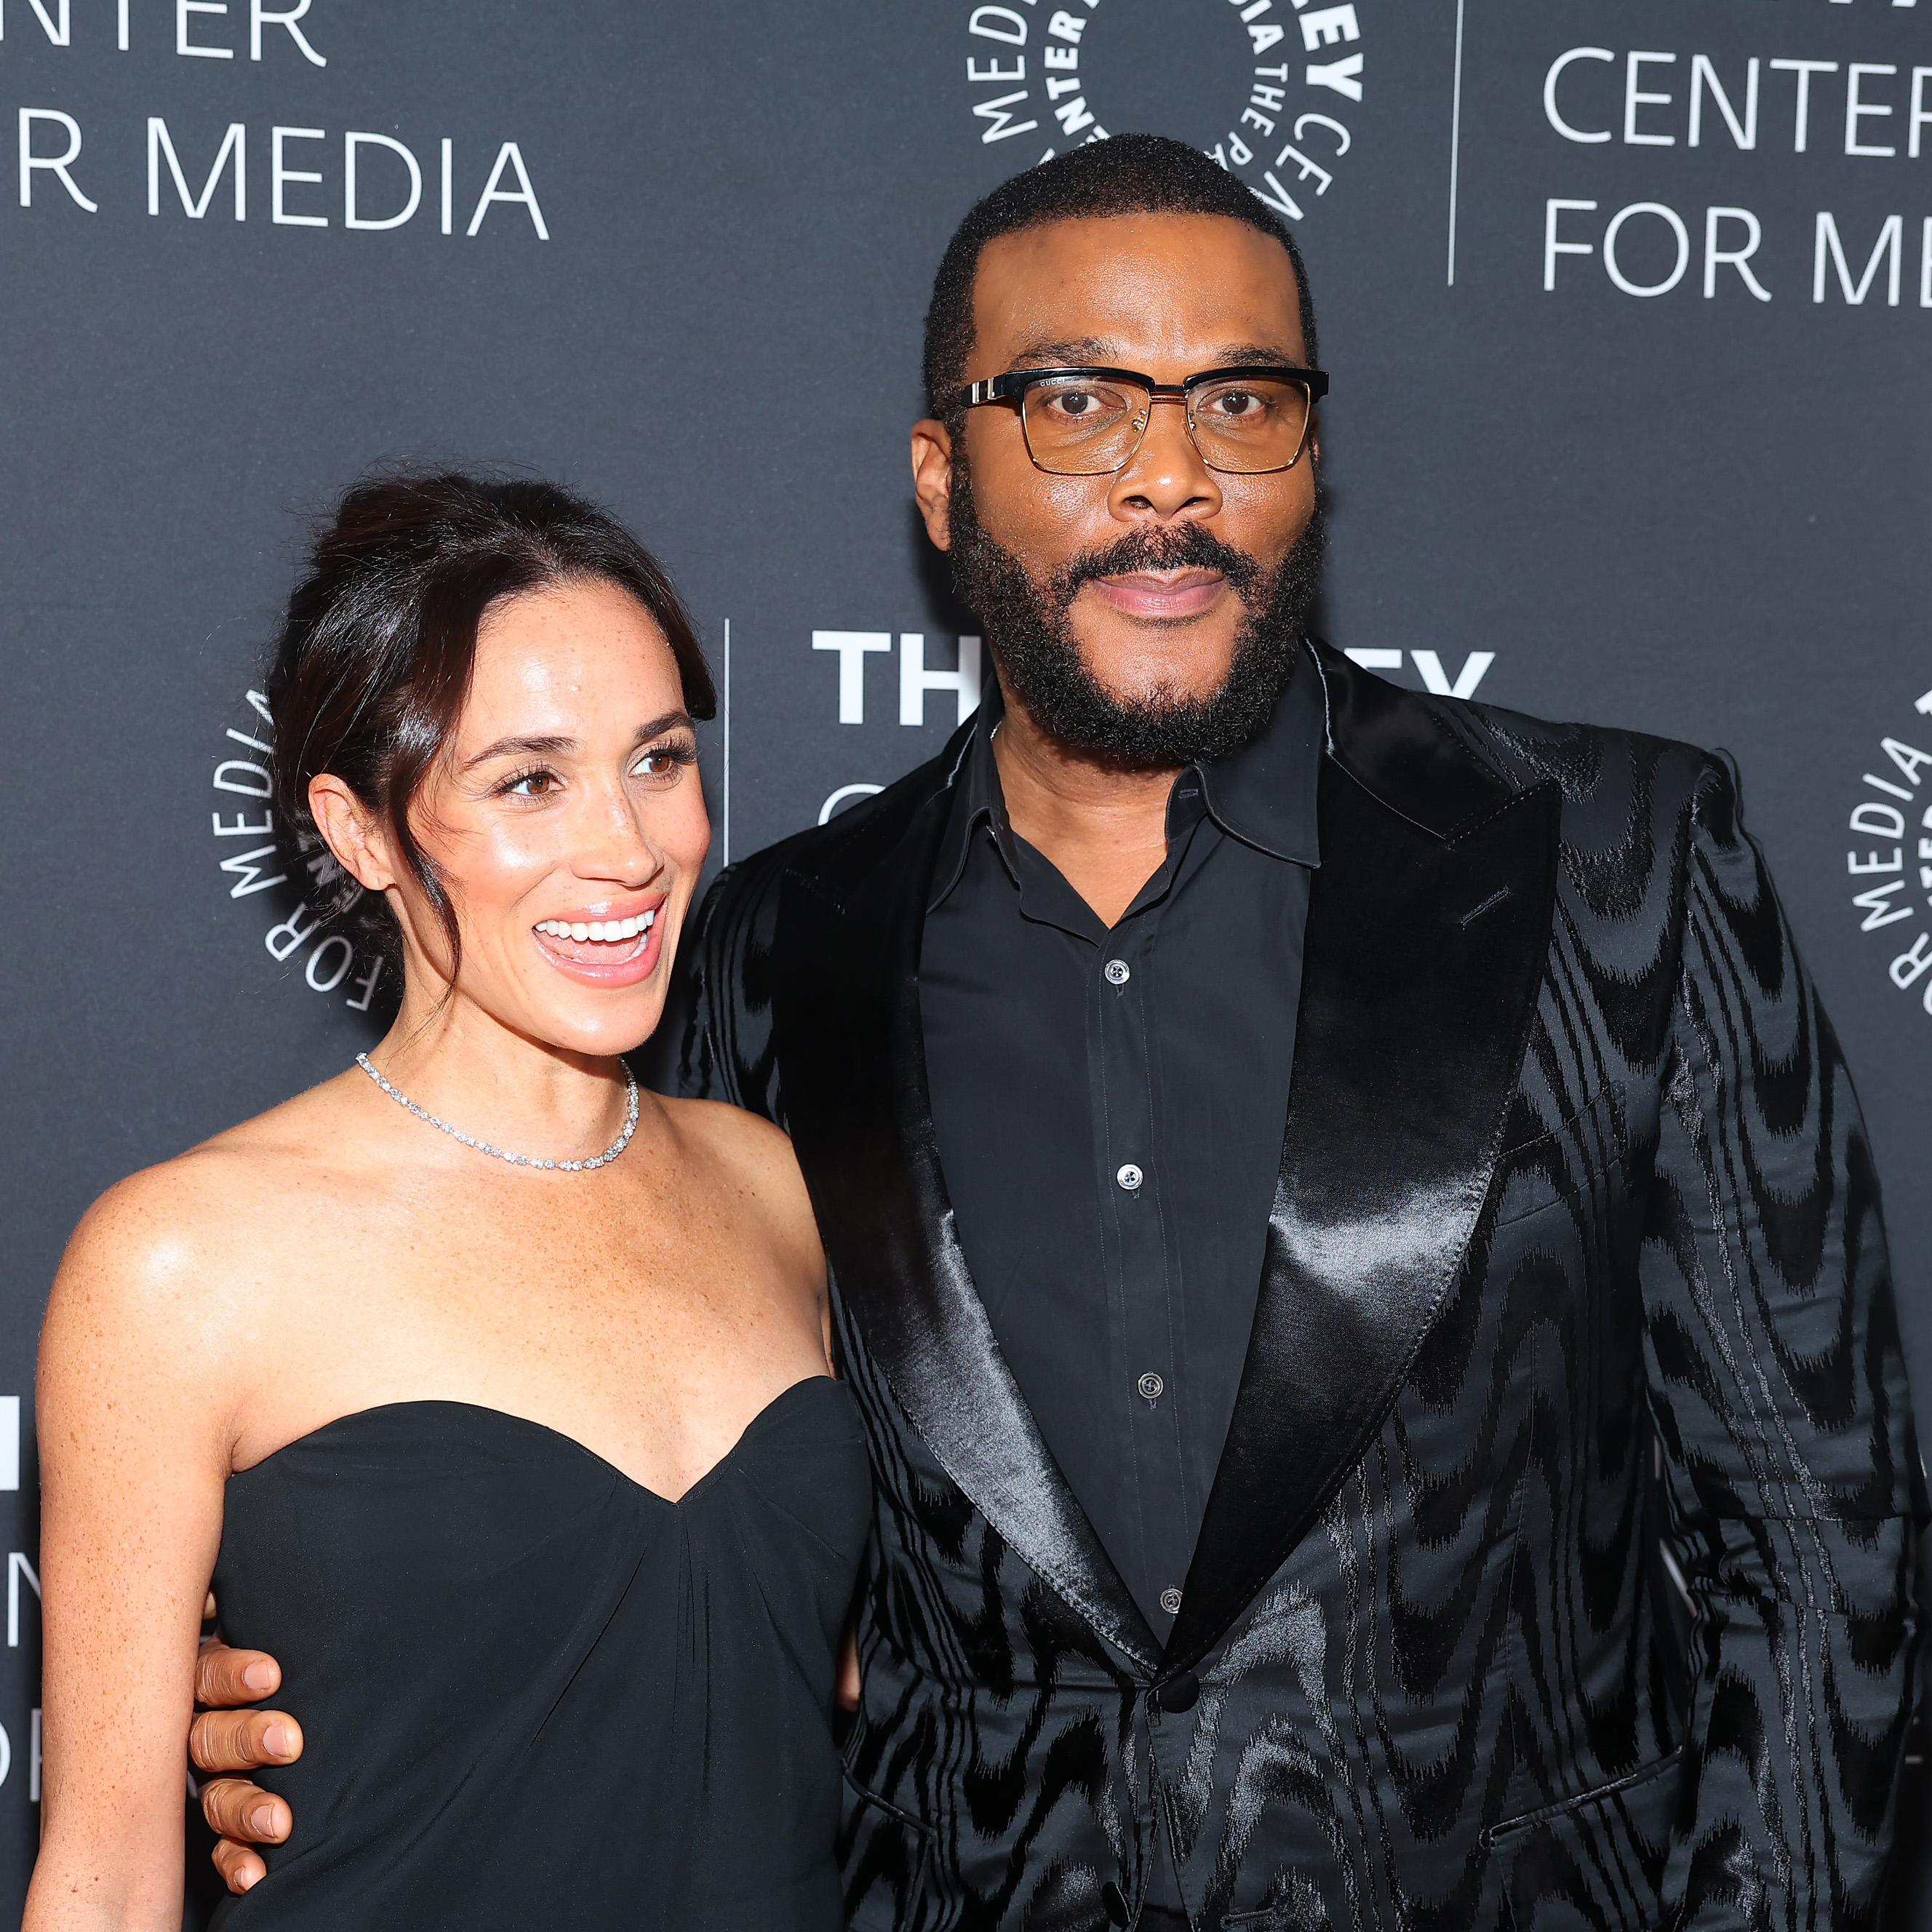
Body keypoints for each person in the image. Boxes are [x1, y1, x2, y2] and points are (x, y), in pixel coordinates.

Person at [191, 140, 1923, 1931]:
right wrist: (324, 1677)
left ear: (1306, 456)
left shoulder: (1615, 857)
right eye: (1076, 402)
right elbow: (629, 1494)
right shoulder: (760, 954)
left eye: (1239, 399)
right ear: (941, 480)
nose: (1169, 475)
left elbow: (1824, 1534)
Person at [28, 474, 870, 1931]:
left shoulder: (772, 1185)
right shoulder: (184, 1260)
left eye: (658, 758)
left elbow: (839, 1675)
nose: (628, 846)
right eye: (528, 780)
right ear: (359, 832)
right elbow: (104, 1882)